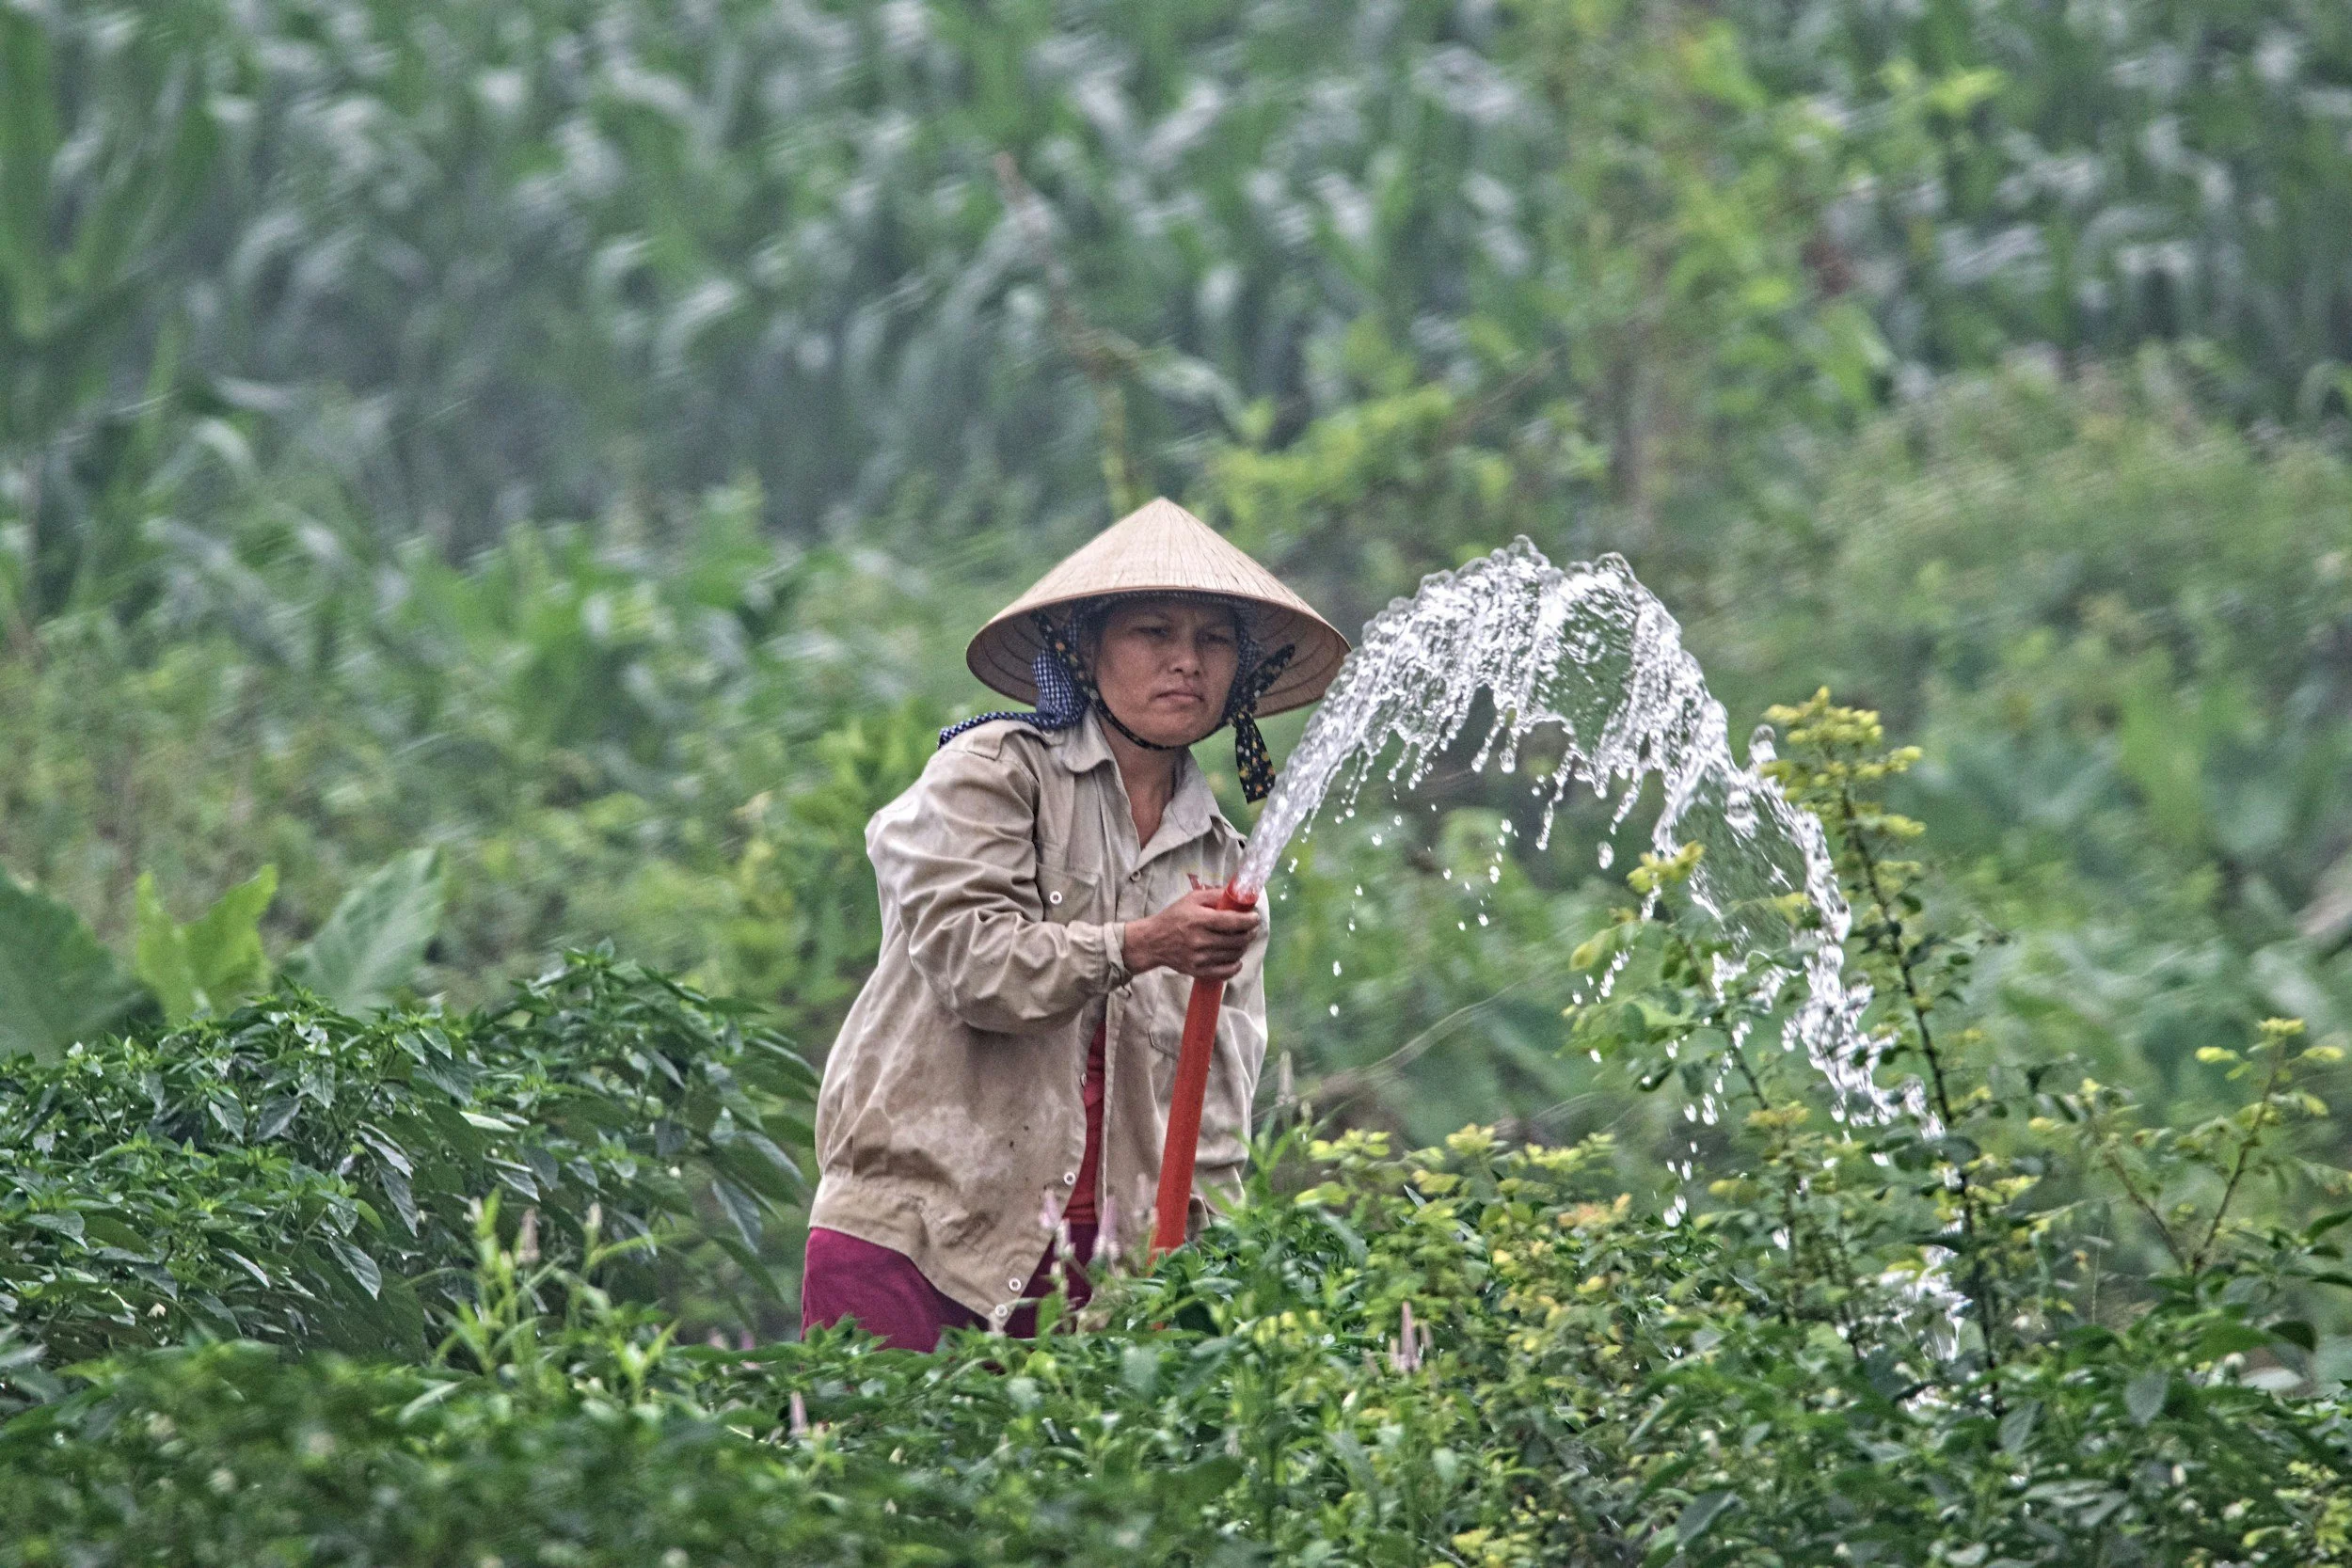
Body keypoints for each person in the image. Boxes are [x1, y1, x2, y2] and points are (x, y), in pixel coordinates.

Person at [800, 498, 1348, 1350]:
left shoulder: (1226, 865)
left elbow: (1216, 1111)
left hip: (1096, 1289)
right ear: (1085, 649)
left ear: (1239, 670)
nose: (1185, 663)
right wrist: (1144, 943)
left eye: (1212, 641)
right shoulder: (990, 774)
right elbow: (975, 967)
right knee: (873, 1478)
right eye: (1152, 633)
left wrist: (1197, 1280)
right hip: (916, 1242)